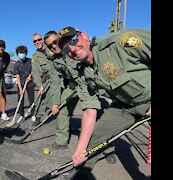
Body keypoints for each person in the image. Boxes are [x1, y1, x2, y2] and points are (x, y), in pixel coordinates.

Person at [57, 26, 151, 178]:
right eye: (67, 49)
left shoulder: (119, 42)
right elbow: (89, 110)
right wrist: (80, 150)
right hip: (124, 107)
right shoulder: (82, 74)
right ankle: (80, 175)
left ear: (85, 36)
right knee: (96, 136)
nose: (72, 49)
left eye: (74, 41)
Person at [44, 31, 117, 162]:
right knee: (62, 110)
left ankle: (108, 148)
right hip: (72, 87)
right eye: (50, 46)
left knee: (100, 114)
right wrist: (55, 103)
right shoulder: (54, 62)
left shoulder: (74, 49)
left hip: (88, 82)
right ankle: (61, 141)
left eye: (55, 42)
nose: (54, 47)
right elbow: (55, 83)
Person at [31, 33, 62, 126]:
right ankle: (38, 117)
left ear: (42, 40)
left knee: (60, 100)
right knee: (42, 98)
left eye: (39, 39)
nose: (37, 42)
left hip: (61, 76)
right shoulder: (35, 56)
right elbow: (35, 72)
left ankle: (64, 122)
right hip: (49, 79)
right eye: (35, 41)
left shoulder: (51, 46)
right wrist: (40, 85)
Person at [12, 45, 36, 123]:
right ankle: (21, 114)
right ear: (17, 54)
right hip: (21, 83)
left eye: (23, 52)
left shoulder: (30, 61)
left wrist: (30, 75)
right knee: (20, 99)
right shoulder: (16, 64)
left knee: (31, 99)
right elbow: (17, 76)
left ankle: (33, 114)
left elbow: (34, 69)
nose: (22, 54)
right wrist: (20, 89)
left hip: (30, 82)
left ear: (26, 53)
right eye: (20, 53)